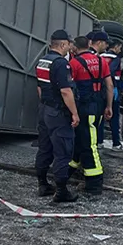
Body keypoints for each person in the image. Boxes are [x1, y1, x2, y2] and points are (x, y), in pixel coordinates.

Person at [34, 30, 80, 202]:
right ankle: (61, 191)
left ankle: (42, 184)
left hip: (45, 109)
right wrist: (74, 113)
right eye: (68, 43)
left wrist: (45, 103)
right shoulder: (61, 64)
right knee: (63, 151)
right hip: (58, 112)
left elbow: (39, 87)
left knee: (44, 148)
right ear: (62, 45)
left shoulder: (42, 61)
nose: (70, 46)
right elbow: (66, 91)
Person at [68, 33, 113, 195]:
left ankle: (94, 182)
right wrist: (109, 106)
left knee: (89, 143)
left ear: (75, 47)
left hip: (84, 107)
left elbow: (68, 89)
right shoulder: (102, 61)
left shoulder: (74, 63)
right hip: (98, 105)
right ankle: (69, 169)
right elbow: (109, 85)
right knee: (82, 139)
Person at [101, 40, 123, 151]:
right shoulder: (116, 59)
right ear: (117, 46)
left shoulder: (100, 56)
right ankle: (116, 142)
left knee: (100, 117)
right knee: (114, 117)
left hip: (100, 89)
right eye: (120, 48)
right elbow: (111, 73)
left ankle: (99, 141)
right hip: (112, 89)